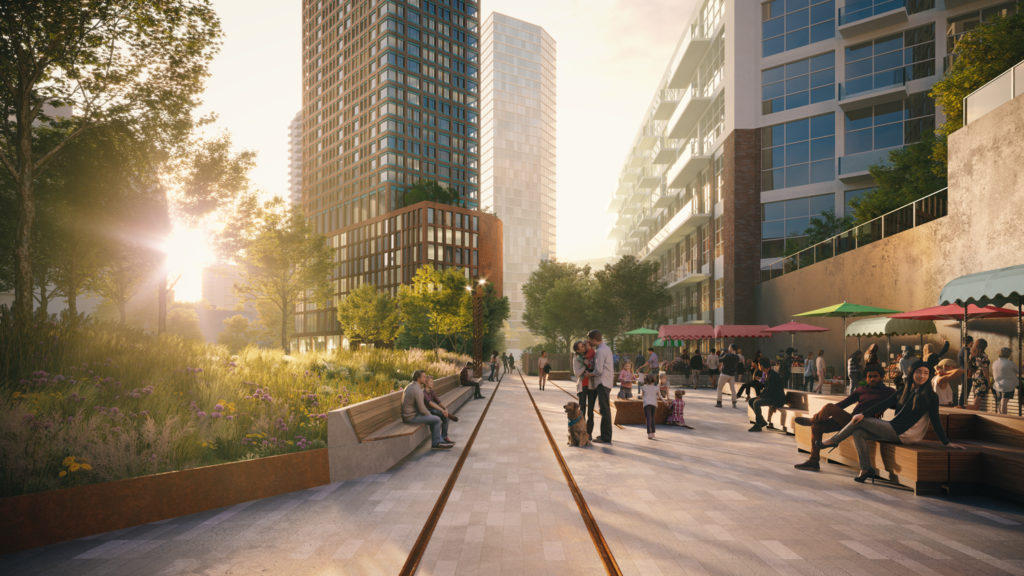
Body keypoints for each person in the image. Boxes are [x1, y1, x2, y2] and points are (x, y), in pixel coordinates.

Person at [819, 360, 963, 482]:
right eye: (919, 372)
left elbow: (935, 419)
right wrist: (864, 412)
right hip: (895, 429)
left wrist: (946, 442)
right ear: (912, 373)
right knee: (858, 432)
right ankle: (866, 469)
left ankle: (834, 441)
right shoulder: (904, 391)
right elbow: (883, 404)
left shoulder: (930, 395)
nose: (922, 376)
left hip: (906, 433)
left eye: (926, 373)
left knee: (860, 421)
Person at [793, 363, 895, 471]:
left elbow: (899, 405)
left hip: (865, 425)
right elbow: (843, 404)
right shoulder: (862, 389)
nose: (872, 379)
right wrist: (830, 413)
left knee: (827, 409)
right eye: (870, 376)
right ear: (866, 377)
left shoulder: (888, 392)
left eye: (875, 376)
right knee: (817, 426)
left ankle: (812, 420)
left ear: (881, 377)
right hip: (850, 420)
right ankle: (814, 461)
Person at [401, 370, 453, 450]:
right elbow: (422, 409)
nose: (426, 379)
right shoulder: (417, 390)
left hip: (408, 415)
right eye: (424, 377)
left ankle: (439, 440)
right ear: (419, 378)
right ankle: (436, 443)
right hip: (411, 417)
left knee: (433, 418)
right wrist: (430, 415)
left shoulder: (410, 386)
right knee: (436, 419)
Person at [588, 329, 615, 444]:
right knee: (605, 410)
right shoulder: (607, 348)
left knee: (604, 410)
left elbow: (598, 370)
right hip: (607, 382)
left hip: (602, 382)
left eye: (590, 340)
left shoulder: (599, 351)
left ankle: (606, 437)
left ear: (594, 339)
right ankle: (605, 435)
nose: (590, 342)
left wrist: (589, 374)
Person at [749, 357, 785, 432]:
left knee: (756, 402)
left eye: (758, 365)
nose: (758, 366)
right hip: (772, 396)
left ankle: (758, 423)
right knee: (751, 401)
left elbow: (770, 390)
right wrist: (760, 396)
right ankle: (761, 421)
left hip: (777, 399)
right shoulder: (768, 373)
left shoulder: (773, 375)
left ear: (761, 366)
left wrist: (760, 397)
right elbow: (767, 389)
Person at [423, 375, 456, 444]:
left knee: (445, 417)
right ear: (426, 383)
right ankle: (438, 440)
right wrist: (442, 410)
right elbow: (430, 403)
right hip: (427, 411)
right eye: (431, 382)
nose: (432, 383)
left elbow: (438, 401)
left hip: (434, 410)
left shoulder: (431, 391)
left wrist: (445, 408)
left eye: (433, 382)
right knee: (438, 414)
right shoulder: (423, 393)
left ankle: (444, 436)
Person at [572, 340, 595, 432]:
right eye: (581, 347)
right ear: (577, 350)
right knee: (582, 411)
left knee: (590, 412)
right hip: (582, 386)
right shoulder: (576, 359)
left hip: (591, 386)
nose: (584, 347)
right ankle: (582, 432)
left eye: (583, 346)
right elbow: (577, 373)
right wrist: (585, 366)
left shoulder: (591, 355)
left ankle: (589, 433)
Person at [992, 347, 1019, 415]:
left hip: (997, 386)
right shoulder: (1010, 363)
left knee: (1000, 402)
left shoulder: (995, 363)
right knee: (1004, 401)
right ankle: (1004, 416)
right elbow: (1019, 371)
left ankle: (1000, 415)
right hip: (1008, 386)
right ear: (1008, 354)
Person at [967, 338, 991, 410]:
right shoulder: (984, 356)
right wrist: (988, 382)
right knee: (976, 405)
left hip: (975, 379)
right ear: (984, 346)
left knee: (976, 402)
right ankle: (962, 408)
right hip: (982, 380)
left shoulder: (972, 355)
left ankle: (963, 408)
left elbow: (971, 368)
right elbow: (985, 370)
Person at [641, 371, 664, 439]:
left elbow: (642, 396)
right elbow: (660, 396)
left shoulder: (643, 387)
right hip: (654, 404)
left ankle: (649, 433)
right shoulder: (656, 387)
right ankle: (653, 433)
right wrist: (665, 401)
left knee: (648, 418)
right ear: (654, 380)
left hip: (646, 404)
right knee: (652, 418)